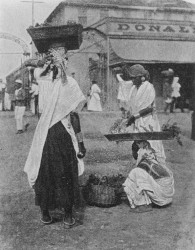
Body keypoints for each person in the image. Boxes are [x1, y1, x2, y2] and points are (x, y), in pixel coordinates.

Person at [24, 47, 86, 228]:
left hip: (45, 134)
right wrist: (80, 143)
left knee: (45, 171)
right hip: (63, 134)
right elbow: (74, 116)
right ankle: (67, 215)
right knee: (66, 173)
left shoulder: (42, 80)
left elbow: (28, 63)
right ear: (65, 63)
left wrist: (40, 62)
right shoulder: (70, 84)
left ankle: (45, 213)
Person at [121, 64, 174, 212]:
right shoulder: (134, 88)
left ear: (141, 77)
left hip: (148, 123)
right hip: (138, 123)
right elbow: (132, 107)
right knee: (138, 152)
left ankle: (151, 192)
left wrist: (134, 116)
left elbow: (150, 108)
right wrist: (129, 117)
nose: (132, 80)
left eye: (134, 78)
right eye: (131, 78)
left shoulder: (148, 87)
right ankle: (144, 192)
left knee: (149, 154)